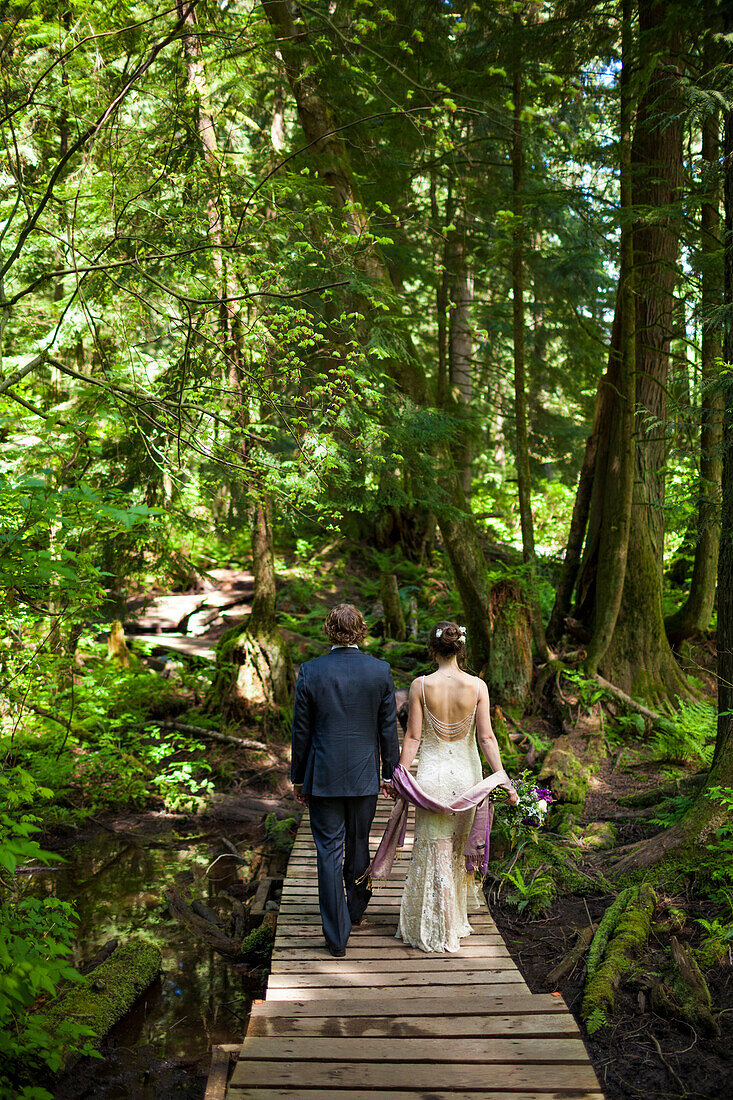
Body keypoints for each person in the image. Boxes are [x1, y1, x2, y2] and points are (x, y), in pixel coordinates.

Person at [394, 620, 518, 953]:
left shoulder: (420, 685)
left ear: (432, 649)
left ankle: (439, 927)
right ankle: (455, 923)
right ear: (461, 648)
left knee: (435, 851)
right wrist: (502, 777)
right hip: (467, 779)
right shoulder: (478, 686)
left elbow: (414, 737)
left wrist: (400, 776)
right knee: (458, 851)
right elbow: (487, 737)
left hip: (432, 778)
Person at [291, 603, 399, 958]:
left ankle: (336, 936)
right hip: (365, 775)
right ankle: (356, 907)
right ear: (361, 630)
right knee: (358, 842)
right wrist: (389, 773)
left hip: (322, 776)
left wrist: (298, 778)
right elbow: (387, 728)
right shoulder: (379, 671)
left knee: (327, 851)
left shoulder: (311, 671)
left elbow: (301, 731)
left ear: (329, 630)